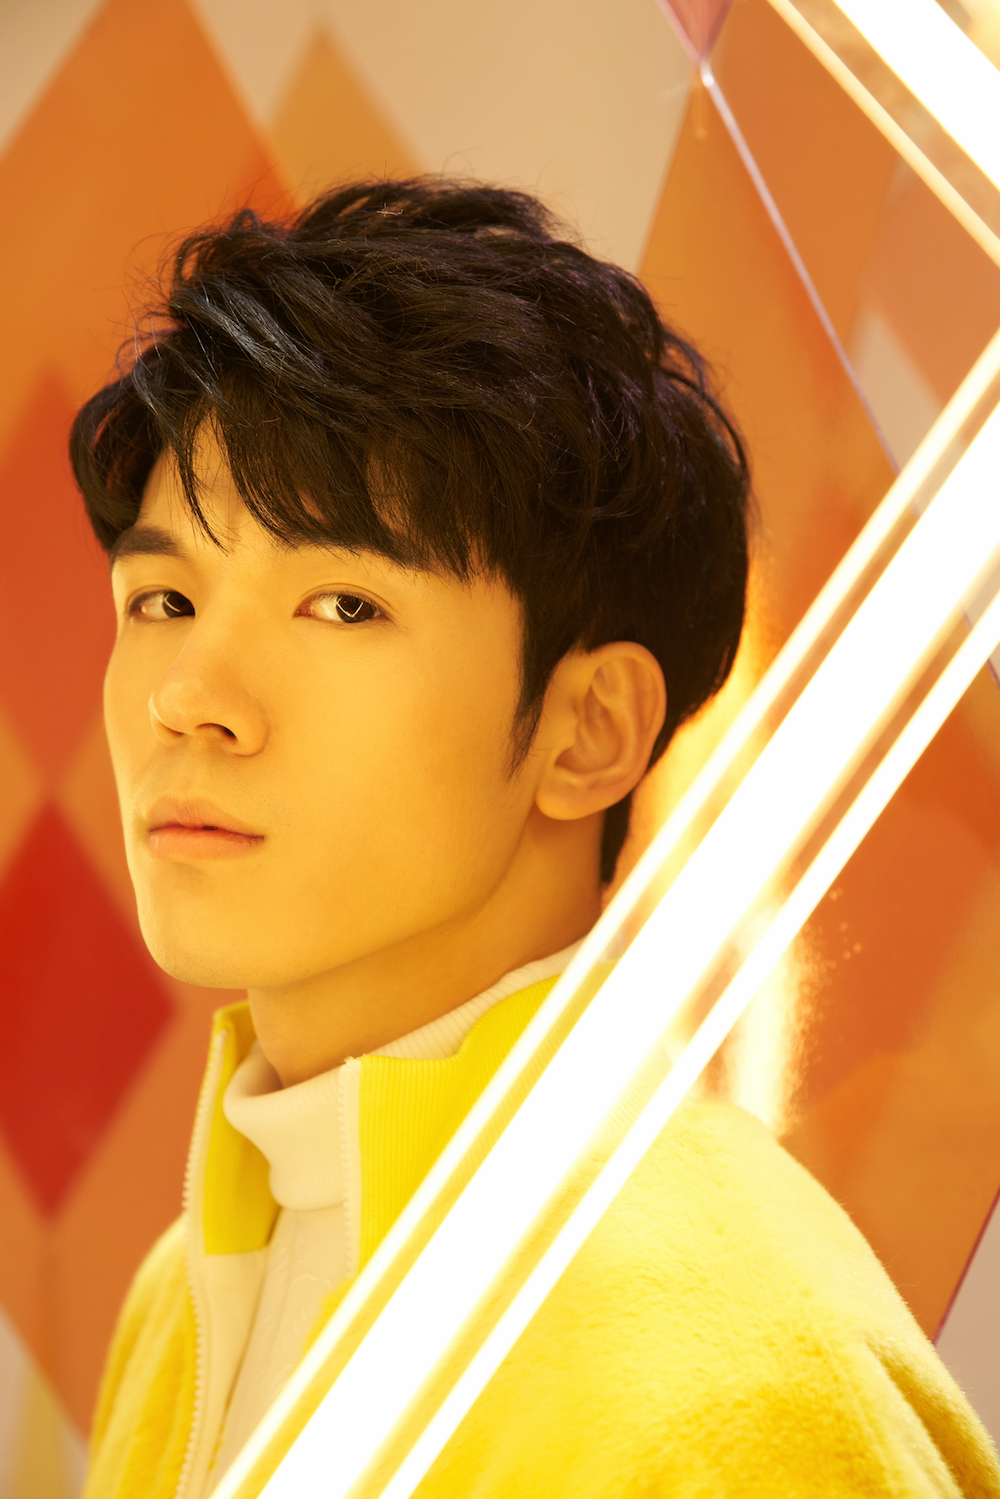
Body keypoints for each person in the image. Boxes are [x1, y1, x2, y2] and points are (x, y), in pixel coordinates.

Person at [71, 178, 998, 1498]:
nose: (188, 697)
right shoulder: (186, 1293)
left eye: (343, 605)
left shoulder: (739, 1391)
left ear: (587, 732)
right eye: (163, 598)